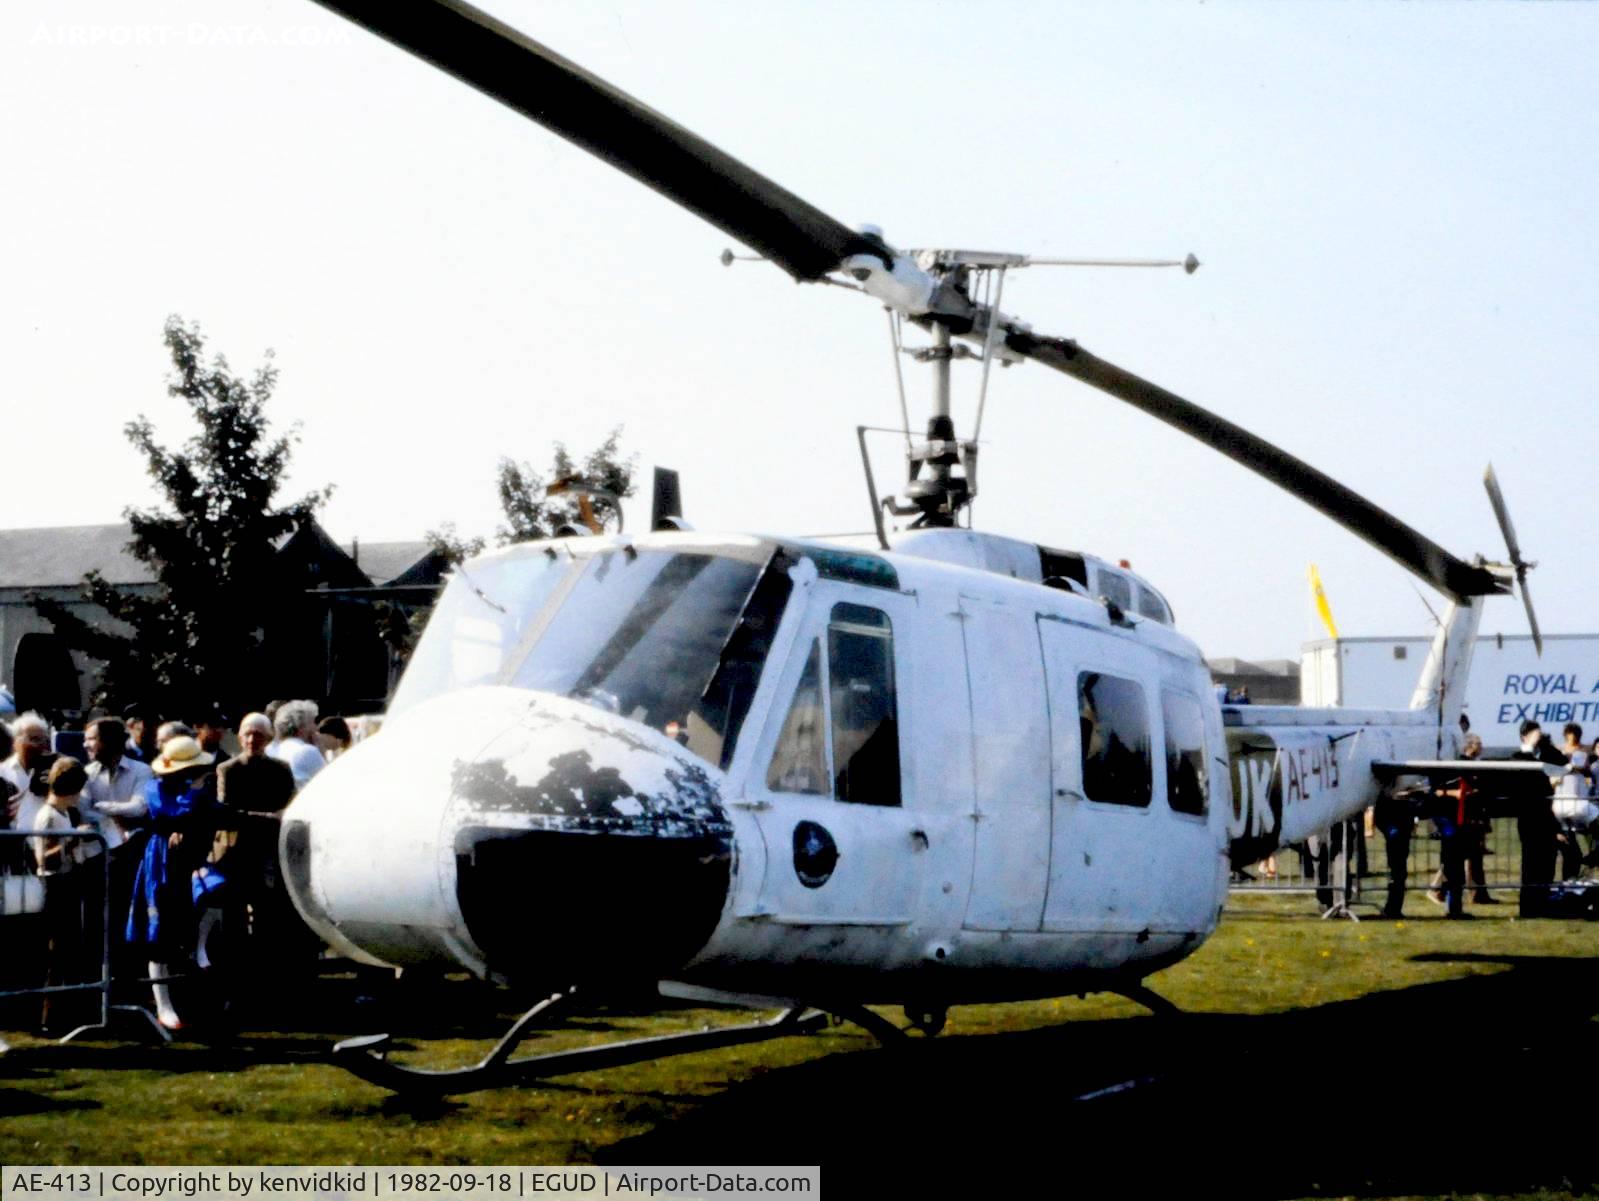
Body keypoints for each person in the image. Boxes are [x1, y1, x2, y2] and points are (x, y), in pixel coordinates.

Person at [126, 736, 217, 1030]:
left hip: (193, 860)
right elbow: (174, 813)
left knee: (212, 899)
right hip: (162, 862)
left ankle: (195, 969)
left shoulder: (202, 792)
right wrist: (194, 792)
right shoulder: (155, 788)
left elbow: (217, 813)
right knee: (159, 932)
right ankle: (163, 1004)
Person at [81, 717, 155, 982]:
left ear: (109, 741)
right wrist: (115, 815)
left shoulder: (141, 771)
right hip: (98, 859)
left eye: (91, 738)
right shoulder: (86, 774)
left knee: (128, 921)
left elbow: (139, 807)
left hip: (132, 859)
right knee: (98, 925)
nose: (85, 744)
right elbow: (81, 811)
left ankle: (128, 984)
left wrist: (102, 809)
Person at [31, 758, 95, 1034]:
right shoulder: (48, 815)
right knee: (56, 953)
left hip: (69, 884)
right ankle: (49, 1018)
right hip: (54, 887)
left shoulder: (67, 813)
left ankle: (66, 1012)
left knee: (69, 951)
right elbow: (43, 858)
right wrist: (71, 839)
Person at [1512, 719, 1564, 917]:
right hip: (1529, 815)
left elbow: (1563, 766)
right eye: (1535, 734)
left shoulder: (1547, 754)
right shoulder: (1519, 757)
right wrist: (1529, 747)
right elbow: (1526, 769)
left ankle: (1543, 902)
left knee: (1547, 859)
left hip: (1546, 814)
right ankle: (1529, 906)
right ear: (1525, 736)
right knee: (1531, 862)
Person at [1373, 783, 1419, 918]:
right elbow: (1380, 817)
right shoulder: (1385, 797)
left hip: (1402, 834)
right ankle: (1392, 908)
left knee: (1399, 872)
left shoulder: (1405, 800)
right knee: (1397, 871)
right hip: (1395, 835)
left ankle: (1394, 908)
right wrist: (1390, 829)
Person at [268, 700, 324, 789]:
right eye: (313, 722)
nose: (316, 727)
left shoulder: (270, 749)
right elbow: (328, 783)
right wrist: (321, 750)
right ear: (301, 727)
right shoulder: (307, 751)